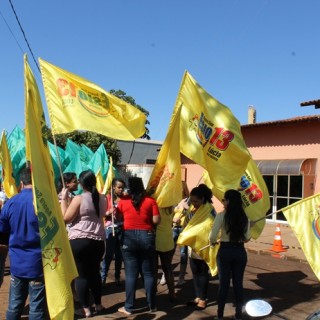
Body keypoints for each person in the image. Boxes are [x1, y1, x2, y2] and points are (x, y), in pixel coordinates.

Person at [0, 167, 46, 319]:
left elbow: (3, 229)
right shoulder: (44, 203)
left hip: (17, 262)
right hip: (38, 262)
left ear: (21, 182)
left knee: (14, 305)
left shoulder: (11, 202)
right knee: (37, 308)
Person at [60, 169, 106, 318]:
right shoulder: (103, 198)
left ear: (82, 183)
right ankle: (98, 304)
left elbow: (66, 218)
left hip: (80, 240)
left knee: (81, 276)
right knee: (95, 273)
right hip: (98, 241)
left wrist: (63, 199)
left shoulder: (79, 198)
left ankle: (86, 308)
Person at [117, 177, 161, 316]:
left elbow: (118, 218)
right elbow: (156, 220)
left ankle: (129, 307)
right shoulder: (150, 201)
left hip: (128, 238)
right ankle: (152, 305)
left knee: (130, 275)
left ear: (129, 187)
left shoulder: (123, 201)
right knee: (148, 274)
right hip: (146, 236)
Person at [209, 189, 251, 320]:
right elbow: (247, 238)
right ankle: (238, 314)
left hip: (225, 251)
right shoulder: (245, 217)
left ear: (228, 201)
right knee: (238, 283)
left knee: (224, 284)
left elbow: (212, 236)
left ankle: (220, 315)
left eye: (224, 199)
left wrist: (212, 242)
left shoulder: (221, 215)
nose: (223, 202)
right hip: (240, 251)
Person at [184, 184, 216, 310]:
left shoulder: (209, 209)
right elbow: (187, 222)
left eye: (196, 201)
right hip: (193, 246)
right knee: (195, 271)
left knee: (202, 273)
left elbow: (211, 226)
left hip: (204, 246)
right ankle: (197, 296)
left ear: (203, 199)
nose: (193, 203)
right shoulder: (192, 209)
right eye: (192, 201)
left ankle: (203, 299)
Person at [101, 178, 126, 286]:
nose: (121, 189)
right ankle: (103, 278)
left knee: (119, 254)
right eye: (119, 187)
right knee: (109, 255)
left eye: (122, 187)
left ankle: (117, 276)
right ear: (113, 187)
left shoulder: (125, 199)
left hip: (121, 229)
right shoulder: (107, 198)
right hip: (110, 229)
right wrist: (108, 212)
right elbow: (101, 213)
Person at [155, 206, 176, 302]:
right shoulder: (171, 206)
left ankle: (152, 292)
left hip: (156, 240)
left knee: (153, 268)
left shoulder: (155, 206)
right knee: (168, 269)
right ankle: (172, 293)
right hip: (168, 239)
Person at [171, 181, 190, 286]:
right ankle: (166, 274)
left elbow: (192, 214)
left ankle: (181, 277)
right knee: (170, 252)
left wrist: (186, 208)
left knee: (183, 253)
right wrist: (173, 219)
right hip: (174, 228)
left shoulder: (189, 200)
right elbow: (169, 214)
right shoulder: (173, 200)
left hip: (184, 229)